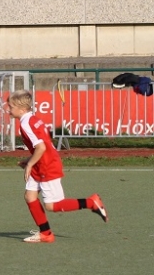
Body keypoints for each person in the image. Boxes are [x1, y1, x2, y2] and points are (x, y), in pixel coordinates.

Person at [6, 90, 108, 243]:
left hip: (47, 166)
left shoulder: (27, 124)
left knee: (52, 206)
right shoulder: (33, 119)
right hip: (41, 163)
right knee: (30, 196)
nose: (8, 109)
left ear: (22, 109)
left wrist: (30, 164)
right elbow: (44, 146)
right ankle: (46, 233)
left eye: (11, 106)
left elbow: (41, 147)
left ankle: (91, 202)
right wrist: (29, 160)